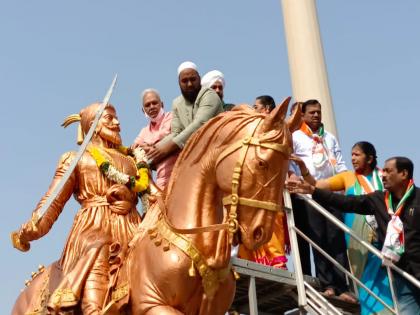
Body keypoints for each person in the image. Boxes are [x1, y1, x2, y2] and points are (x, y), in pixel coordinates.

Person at [11, 103, 146, 314]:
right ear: (93, 124)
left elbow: (149, 191)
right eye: (109, 118)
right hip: (94, 226)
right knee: (99, 248)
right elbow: (54, 201)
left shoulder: (133, 161)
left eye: (116, 118)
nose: (117, 123)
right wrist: (34, 227)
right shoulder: (77, 159)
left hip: (133, 225)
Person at [287, 157, 420, 315]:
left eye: (388, 171)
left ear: (404, 174)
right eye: (383, 171)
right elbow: (346, 202)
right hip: (402, 276)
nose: (383, 175)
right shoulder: (379, 199)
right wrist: (313, 191)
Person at [289, 99, 355, 302]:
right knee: (318, 240)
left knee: (336, 239)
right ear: (302, 115)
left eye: (318, 112)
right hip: (309, 195)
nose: (316, 115)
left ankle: (341, 286)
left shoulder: (329, 138)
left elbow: (341, 164)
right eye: (311, 113)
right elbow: (290, 165)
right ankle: (327, 285)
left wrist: (345, 184)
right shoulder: (295, 137)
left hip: (332, 194)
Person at [237, 95, 288, 269]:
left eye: (256, 107)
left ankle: (276, 262)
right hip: (253, 186)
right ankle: (252, 260)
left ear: (267, 109)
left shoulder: (279, 129)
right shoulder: (254, 129)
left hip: (271, 186)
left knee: (271, 222)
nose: (254, 110)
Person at [146, 61, 223, 165]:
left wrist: (167, 147)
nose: (190, 84)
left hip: (218, 153)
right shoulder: (177, 103)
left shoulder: (210, 96)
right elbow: (175, 133)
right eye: (185, 81)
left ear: (199, 79)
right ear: (179, 83)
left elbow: (199, 125)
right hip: (195, 158)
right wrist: (152, 152)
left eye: (193, 79)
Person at [132, 88, 178, 190]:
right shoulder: (144, 131)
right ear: (143, 110)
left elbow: (166, 137)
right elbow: (134, 149)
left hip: (180, 175)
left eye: (154, 103)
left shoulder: (172, 117)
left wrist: (146, 146)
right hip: (161, 182)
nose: (151, 107)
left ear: (162, 104)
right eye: (147, 105)